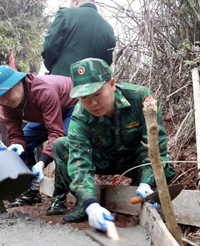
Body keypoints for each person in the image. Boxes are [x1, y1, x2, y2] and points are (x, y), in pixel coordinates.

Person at [51, 57, 175, 228]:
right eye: (84, 97)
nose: (92, 103)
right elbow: (80, 164)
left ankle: (144, 187)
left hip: (134, 161)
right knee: (60, 145)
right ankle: (83, 204)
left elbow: (156, 146)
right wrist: (91, 203)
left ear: (112, 84)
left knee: (166, 166)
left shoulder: (140, 98)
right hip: (102, 161)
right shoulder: (79, 117)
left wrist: (148, 181)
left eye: (97, 94)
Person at [0, 65, 77, 213]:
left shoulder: (43, 91)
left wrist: (41, 163)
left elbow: (56, 133)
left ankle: (60, 197)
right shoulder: (6, 104)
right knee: (24, 144)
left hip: (70, 106)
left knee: (61, 144)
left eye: (6, 94)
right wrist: (16, 146)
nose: (4, 100)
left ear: (17, 83)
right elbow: (16, 134)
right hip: (44, 115)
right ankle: (32, 192)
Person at [41, 0, 116, 77]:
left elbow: (50, 46)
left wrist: (51, 66)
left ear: (76, 0)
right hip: (90, 88)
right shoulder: (108, 29)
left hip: (61, 82)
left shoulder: (65, 14)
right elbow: (106, 63)